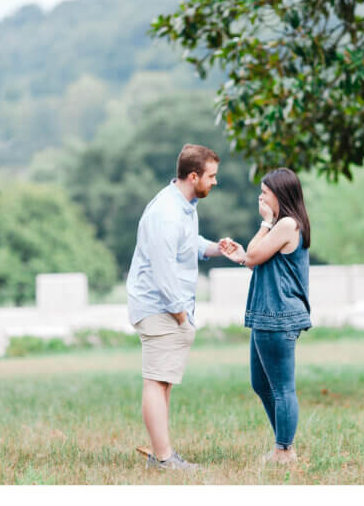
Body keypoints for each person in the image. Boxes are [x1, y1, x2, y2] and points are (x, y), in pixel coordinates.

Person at [126, 143, 234, 470]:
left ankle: (163, 453)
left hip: (167, 308)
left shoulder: (185, 205)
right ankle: (164, 459)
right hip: (160, 308)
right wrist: (180, 315)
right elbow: (163, 268)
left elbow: (186, 245)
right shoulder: (166, 213)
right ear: (192, 176)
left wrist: (217, 248)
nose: (215, 181)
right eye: (211, 176)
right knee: (156, 381)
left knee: (163, 382)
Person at [221, 167, 312, 465]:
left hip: (279, 315)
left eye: (264, 193)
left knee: (282, 387)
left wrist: (264, 223)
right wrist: (243, 255)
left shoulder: (286, 224)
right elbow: (252, 259)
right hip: (267, 314)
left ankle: (283, 451)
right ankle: (284, 446)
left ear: (280, 195)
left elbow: (255, 256)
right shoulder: (281, 225)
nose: (260, 197)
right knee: (261, 384)